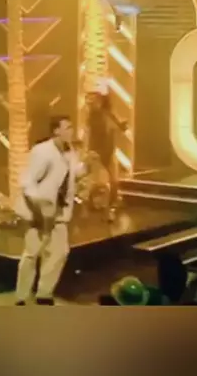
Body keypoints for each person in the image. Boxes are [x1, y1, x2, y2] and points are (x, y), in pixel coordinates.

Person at [14, 115, 84, 305]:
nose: (71, 131)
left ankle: (44, 293)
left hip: (59, 213)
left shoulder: (70, 152)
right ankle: (21, 296)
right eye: (67, 128)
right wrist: (39, 205)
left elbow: (73, 174)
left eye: (71, 127)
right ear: (56, 131)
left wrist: (87, 166)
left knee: (59, 252)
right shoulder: (42, 151)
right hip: (37, 212)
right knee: (32, 253)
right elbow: (28, 181)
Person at [86, 80, 127, 220]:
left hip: (109, 151)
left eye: (98, 98)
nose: (95, 100)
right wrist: (91, 151)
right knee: (101, 182)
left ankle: (111, 205)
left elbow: (118, 126)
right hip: (99, 152)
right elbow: (91, 134)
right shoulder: (93, 116)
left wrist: (122, 125)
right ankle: (101, 206)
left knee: (113, 181)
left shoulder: (109, 113)